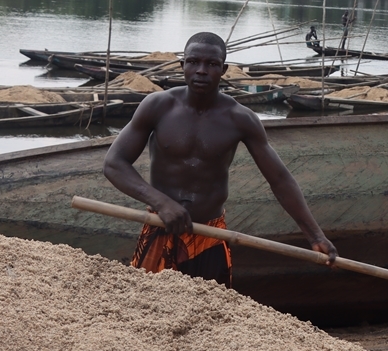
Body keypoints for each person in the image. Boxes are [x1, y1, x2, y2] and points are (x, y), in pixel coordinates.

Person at [103, 31, 337, 289]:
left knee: (209, 316)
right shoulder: (157, 106)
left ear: (223, 69)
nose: (201, 71)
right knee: (143, 306)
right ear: (183, 66)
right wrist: (161, 202)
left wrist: (315, 236)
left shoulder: (240, 118)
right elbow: (114, 163)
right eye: (193, 62)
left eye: (212, 64)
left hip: (210, 235)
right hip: (161, 226)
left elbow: (280, 180)